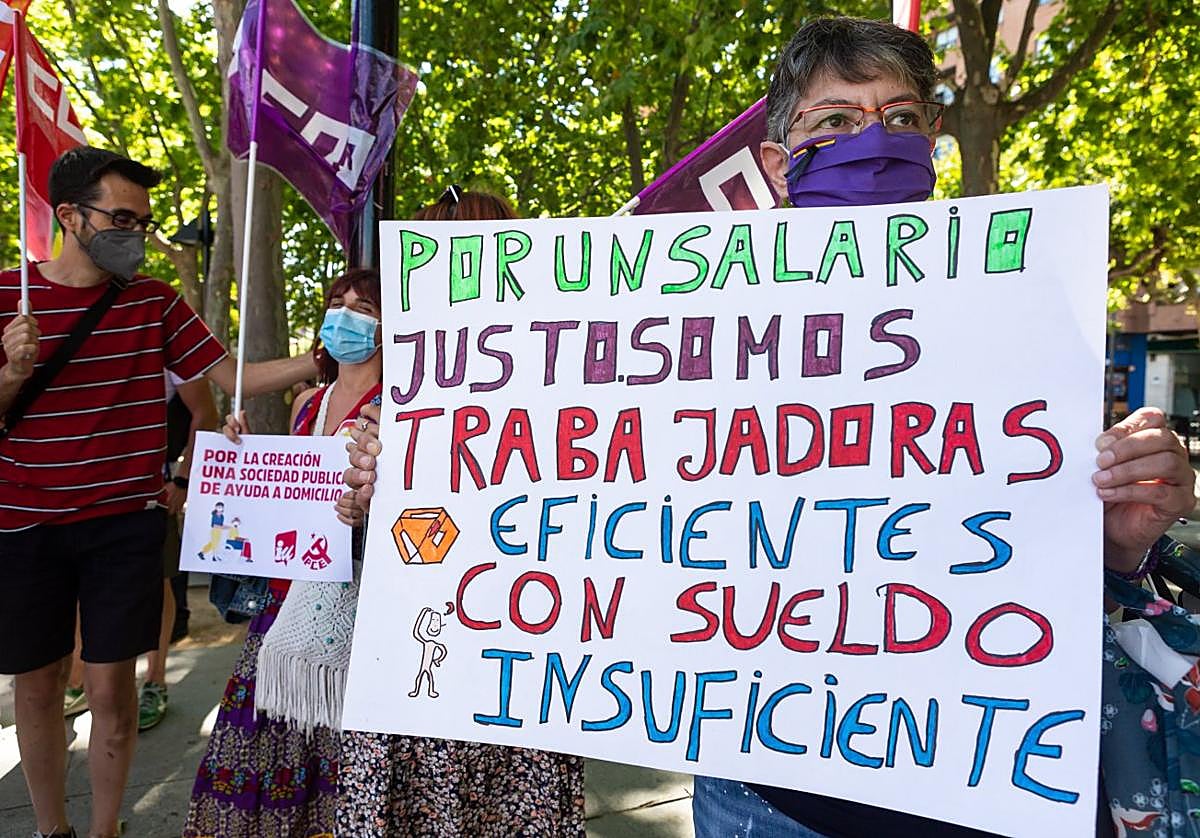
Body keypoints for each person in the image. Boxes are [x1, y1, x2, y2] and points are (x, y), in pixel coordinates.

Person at [341, 26, 1196, 837]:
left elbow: (1052, 557)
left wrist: (1123, 539)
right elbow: (567, 496)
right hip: (769, 802)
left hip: (978, 792)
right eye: (837, 120)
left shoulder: (1025, 314)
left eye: (901, 118)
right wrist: (414, 478)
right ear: (783, 164)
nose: (875, 139)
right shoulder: (690, 330)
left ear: (932, 144)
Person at [0, 146, 317, 838]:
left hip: (125, 525)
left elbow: (230, 374)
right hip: (22, 526)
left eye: (143, 222)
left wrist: (323, 356)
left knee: (114, 689)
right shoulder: (6, 297)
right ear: (69, 216)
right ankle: (52, 829)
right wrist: (10, 373)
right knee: (38, 683)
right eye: (122, 218)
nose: (136, 235)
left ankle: (106, 828)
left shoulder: (154, 303)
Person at [333, 188, 587, 836]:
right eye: (432, 258)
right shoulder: (392, 401)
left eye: (472, 255)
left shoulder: (569, 393)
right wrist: (362, 503)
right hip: (415, 669)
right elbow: (386, 538)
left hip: (518, 668)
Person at [182, 267, 384, 838]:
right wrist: (239, 454)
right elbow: (279, 497)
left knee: (345, 750)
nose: (344, 315)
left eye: (362, 306)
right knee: (263, 734)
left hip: (360, 605)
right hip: (285, 597)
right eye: (336, 302)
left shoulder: (395, 404)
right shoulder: (307, 404)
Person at [62, 370, 220, 731]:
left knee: (158, 581)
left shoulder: (157, 326)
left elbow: (204, 410)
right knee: (76, 583)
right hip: (84, 487)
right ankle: (77, 680)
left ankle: (155, 680)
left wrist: (182, 478)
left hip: (150, 487)